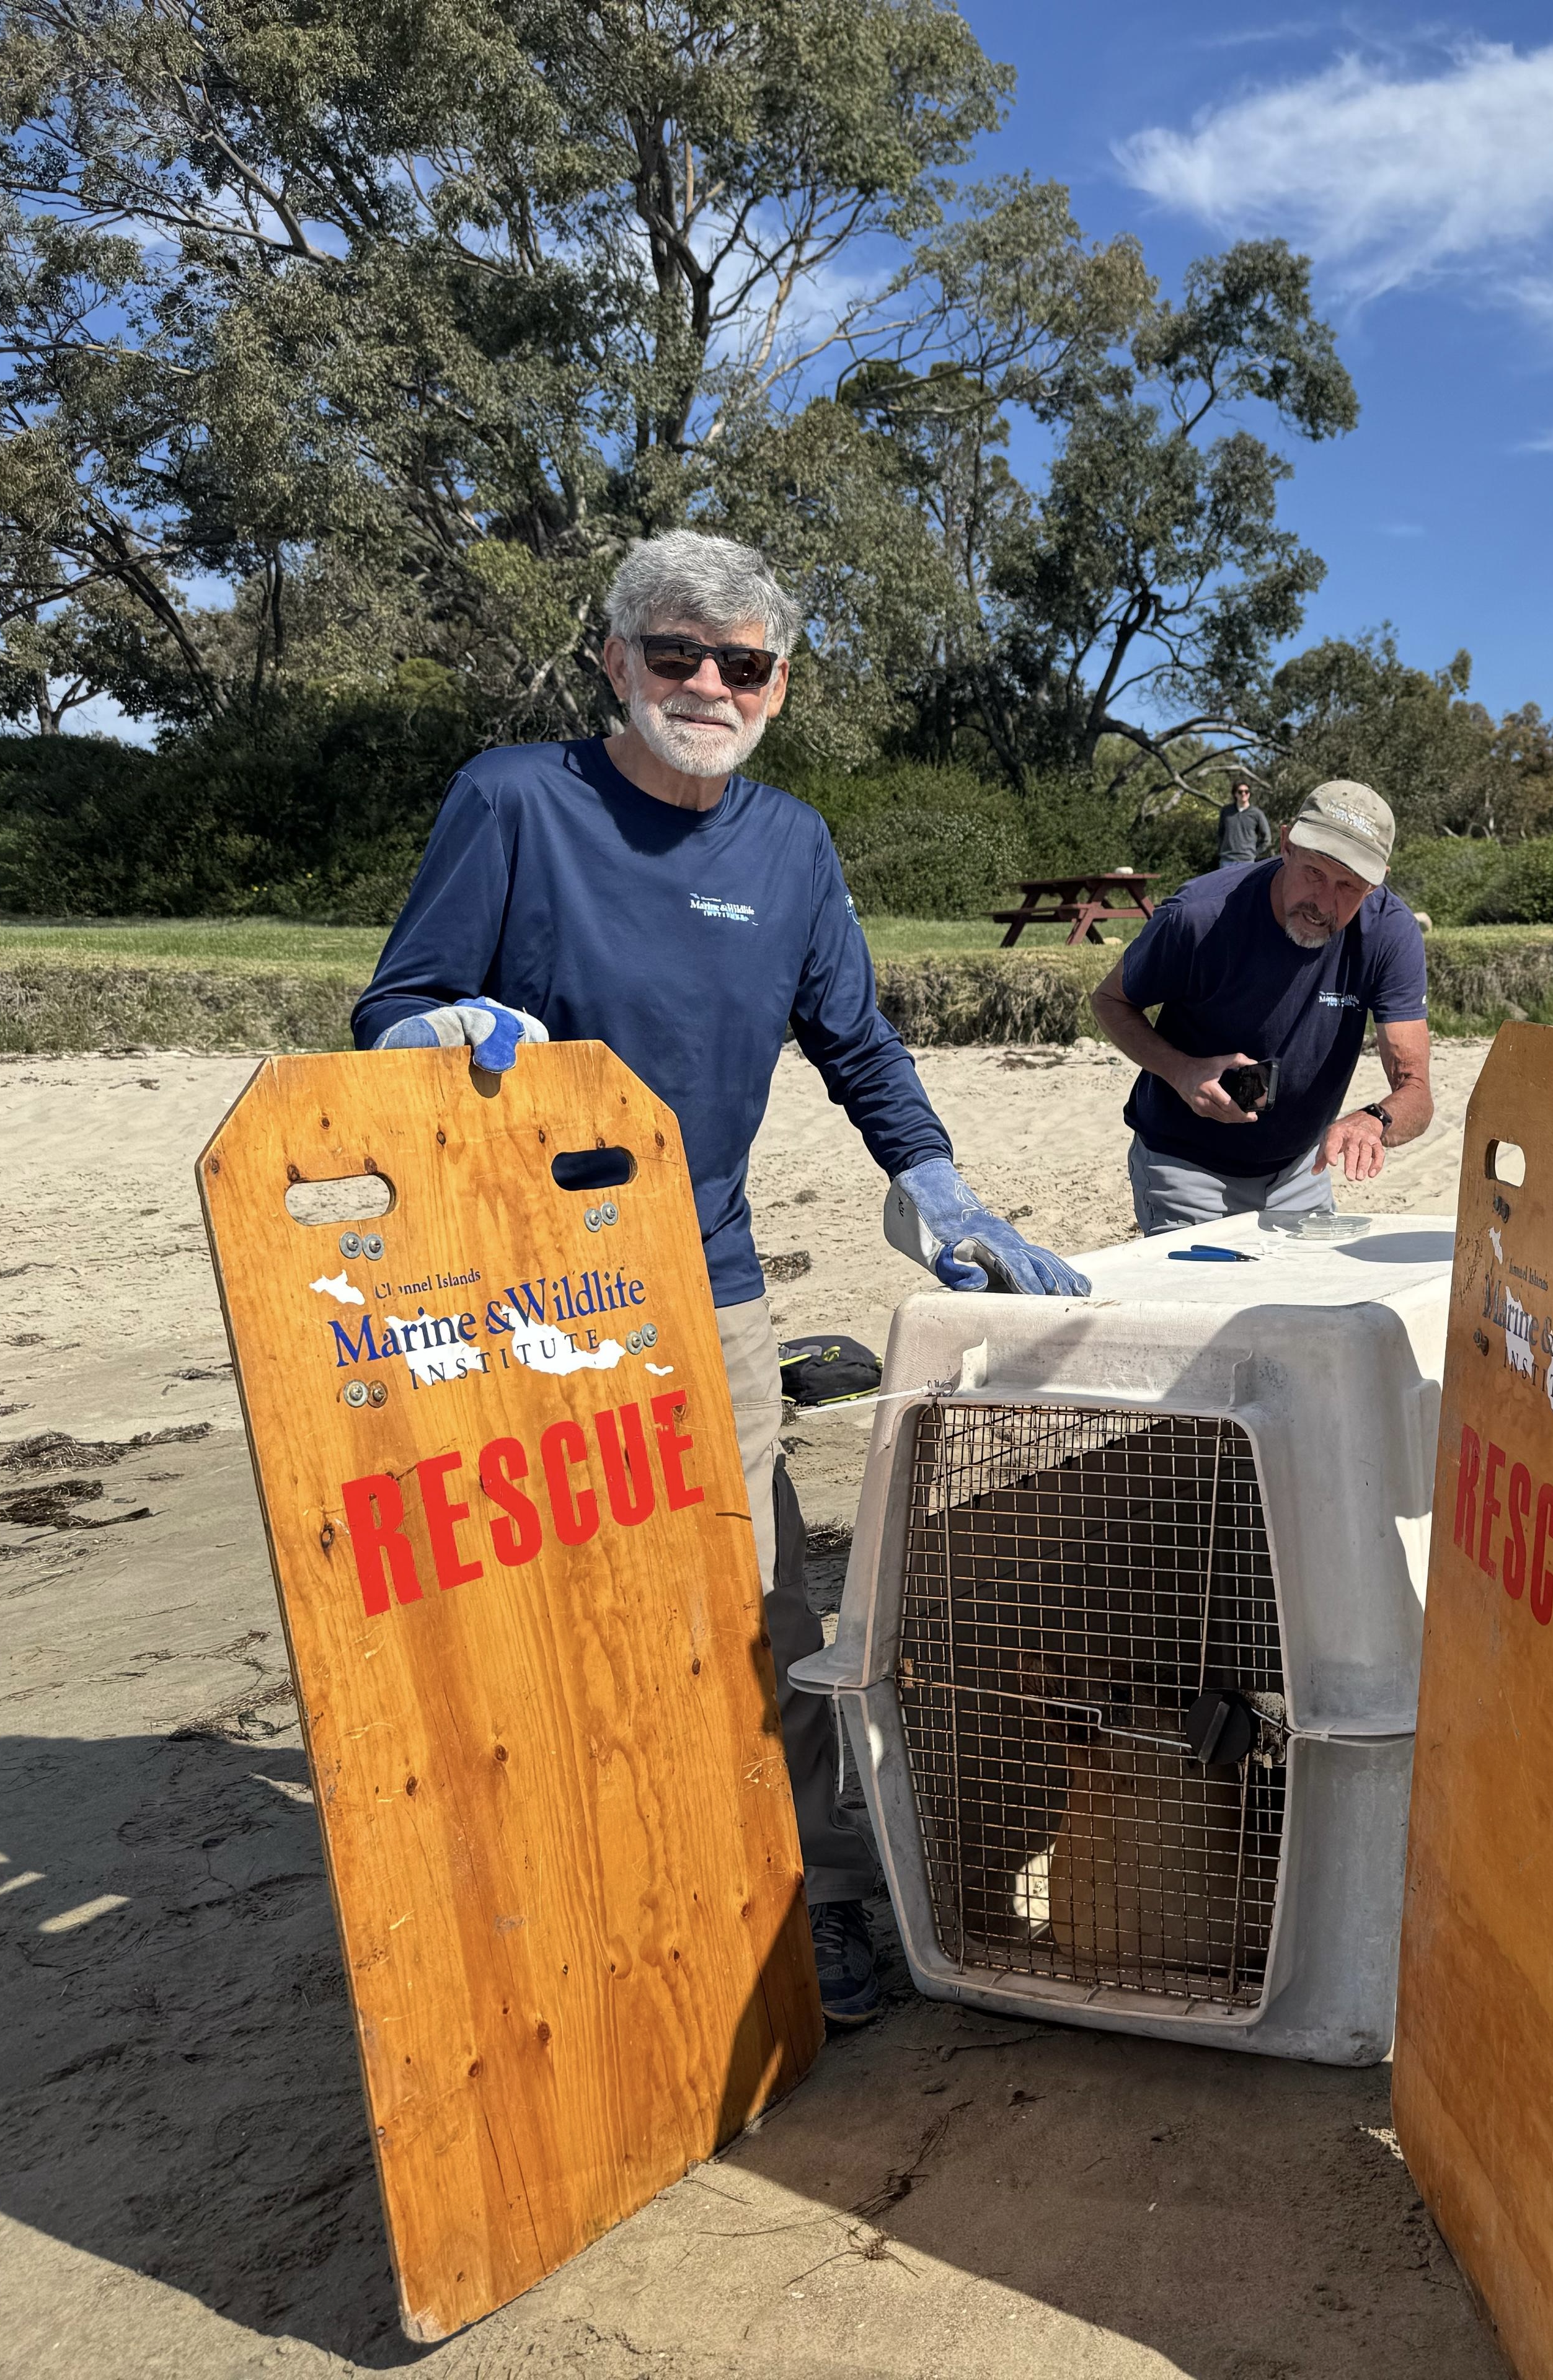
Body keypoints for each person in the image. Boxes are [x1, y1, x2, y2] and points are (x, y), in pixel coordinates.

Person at [352, 529, 1088, 2027]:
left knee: (760, 1594)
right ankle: (570, 1879)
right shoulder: (513, 802)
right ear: (614, 661)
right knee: (548, 1602)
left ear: (778, 683)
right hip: (514, 1301)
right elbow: (392, 1006)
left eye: (739, 661)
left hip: (711, 1283)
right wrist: (429, 1038)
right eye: (673, 652)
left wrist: (935, 1183)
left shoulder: (791, 846)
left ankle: (806, 1891)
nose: (705, 682)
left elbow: (857, 1044)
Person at [1091, 780, 1433, 1235]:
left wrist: (1374, 1122)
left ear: (1375, 884)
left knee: (1301, 1307)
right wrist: (1182, 1071)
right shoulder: (1200, 915)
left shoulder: (1391, 933)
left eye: (1348, 886)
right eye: (1315, 872)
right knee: (1201, 1305)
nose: (1324, 904)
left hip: (1300, 1170)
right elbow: (1110, 1000)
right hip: (1184, 1166)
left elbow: (1417, 1091)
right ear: (1286, 843)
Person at [1215, 774, 1276, 867]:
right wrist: (1221, 850)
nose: (1244, 794)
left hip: (1247, 862)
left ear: (1249, 794)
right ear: (1235, 794)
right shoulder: (1226, 811)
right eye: (1240, 792)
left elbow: (1267, 838)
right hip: (1226, 861)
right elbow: (1220, 834)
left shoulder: (1257, 814)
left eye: (1246, 791)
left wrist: (1254, 853)